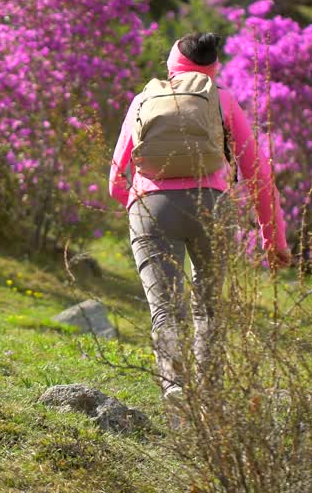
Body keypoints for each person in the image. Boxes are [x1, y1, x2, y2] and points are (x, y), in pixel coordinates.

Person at [108, 32, 290, 406]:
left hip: (151, 206)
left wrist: (138, 205)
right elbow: (258, 174)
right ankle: (210, 392)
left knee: (166, 307)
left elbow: (115, 178)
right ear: (213, 67)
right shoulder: (223, 99)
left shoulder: (143, 99)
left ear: (172, 65)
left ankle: (175, 386)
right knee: (208, 305)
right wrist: (273, 239)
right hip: (212, 207)